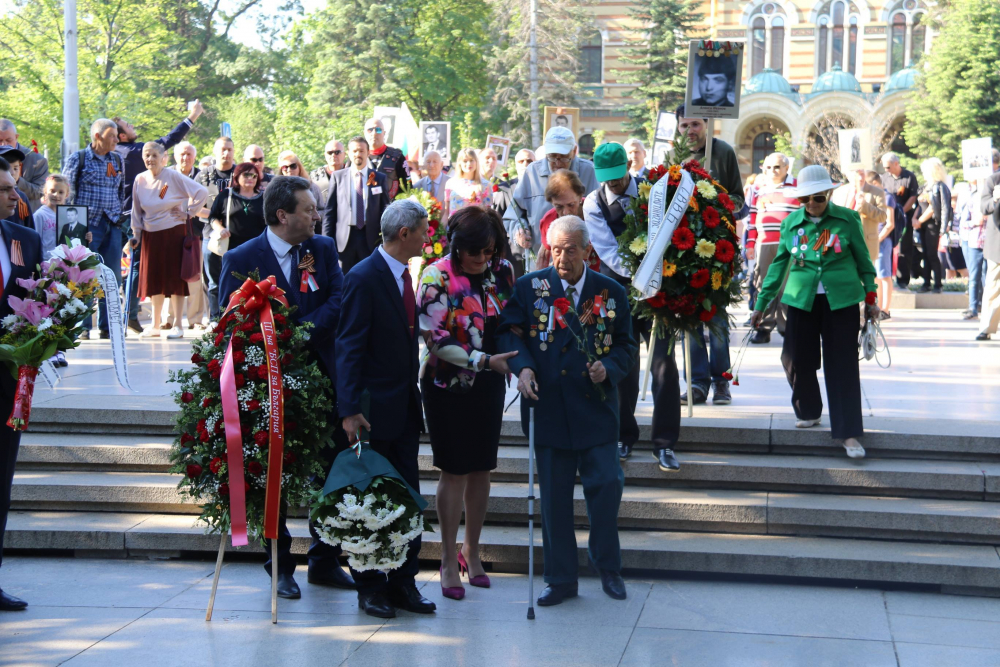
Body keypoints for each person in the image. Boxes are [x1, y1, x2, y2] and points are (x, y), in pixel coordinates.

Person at [220, 175, 355, 599]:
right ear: (283, 215)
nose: (318, 215)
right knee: (272, 471)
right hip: (267, 385)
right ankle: (279, 564)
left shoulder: (323, 248)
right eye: (310, 209)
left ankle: (326, 558)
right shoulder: (243, 257)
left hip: (322, 374)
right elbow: (230, 323)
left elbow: (338, 297)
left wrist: (297, 333)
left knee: (332, 469)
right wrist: (270, 342)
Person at [497, 215, 636, 606]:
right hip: (549, 407)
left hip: (596, 407)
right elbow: (510, 331)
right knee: (555, 499)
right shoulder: (530, 288)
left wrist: (607, 368)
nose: (561, 258)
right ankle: (560, 579)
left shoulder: (609, 292)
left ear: (587, 250)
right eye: (555, 250)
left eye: (570, 250)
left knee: (607, 487)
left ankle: (607, 566)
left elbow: (626, 346)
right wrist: (521, 367)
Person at [336, 199, 435, 619]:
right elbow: (349, 346)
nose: (430, 235)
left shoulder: (404, 276)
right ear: (404, 234)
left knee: (406, 500)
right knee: (370, 502)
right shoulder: (364, 277)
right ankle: (371, 587)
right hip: (372, 413)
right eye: (425, 228)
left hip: (403, 409)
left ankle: (403, 583)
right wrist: (349, 410)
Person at [417, 206, 517, 600]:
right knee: (454, 470)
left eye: (488, 251)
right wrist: (482, 361)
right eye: (474, 251)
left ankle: (471, 550)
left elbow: (511, 322)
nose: (481, 259)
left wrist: (514, 361)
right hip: (446, 385)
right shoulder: (436, 275)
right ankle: (445, 557)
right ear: (457, 246)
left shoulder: (503, 271)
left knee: (482, 468)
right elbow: (435, 336)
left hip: (489, 383)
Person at [750, 165, 879, 459]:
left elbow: (864, 261)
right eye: (804, 199)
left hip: (842, 301)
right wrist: (761, 303)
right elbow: (778, 266)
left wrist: (871, 297)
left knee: (842, 366)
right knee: (795, 358)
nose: (811, 204)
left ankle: (848, 433)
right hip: (800, 300)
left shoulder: (847, 219)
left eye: (817, 198)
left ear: (829, 194)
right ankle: (809, 409)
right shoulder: (791, 223)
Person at [0, 155, 43, 612]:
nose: (16, 196)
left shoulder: (26, 240)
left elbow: (36, 300)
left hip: (7, 380)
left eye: (14, 188)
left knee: (2, 479)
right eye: (7, 190)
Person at [130, 142, 208, 338]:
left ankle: (178, 327)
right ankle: (155, 325)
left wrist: (188, 212)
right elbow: (136, 210)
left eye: (154, 155)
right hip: (150, 234)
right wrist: (136, 234)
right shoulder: (139, 179)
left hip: (174, 232)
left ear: (163, 157)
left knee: (175, 280)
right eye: (146, 155)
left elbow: (201, 192)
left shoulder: (172, 176)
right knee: (153, 280)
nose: (150, 159)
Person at [62, 119, 125, 340]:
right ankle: (83, 327)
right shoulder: (78, 159)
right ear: (97, 136)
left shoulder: (117, 159)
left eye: (117, 135)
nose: (117, 139)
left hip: (112, 224)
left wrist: (119, 219)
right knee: (84, 276)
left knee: (112, 277)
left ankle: (108, 327)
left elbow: (119, 192)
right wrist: (75, 230)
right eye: (112, 135)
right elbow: (67, 194)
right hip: (86, 226)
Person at [503, 127, 598, 272]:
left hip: (580, 263)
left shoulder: (589, 171)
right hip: (540, 261)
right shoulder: (532, 172)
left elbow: (599, 217)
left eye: (563, 157)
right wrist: (519, 230)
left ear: (574, 151)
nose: (558, 163)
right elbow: (513, 214)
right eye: (553, 156)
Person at [747, 152, 799, 343]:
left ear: (786, 168)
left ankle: (787, 328)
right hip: (764, 244)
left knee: (788, 286)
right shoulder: (758, 188)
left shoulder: (797, 187)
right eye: (768, 167)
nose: (772, 170)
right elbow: (752, 219)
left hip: (791, 244)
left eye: (777, 166)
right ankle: (764, 327)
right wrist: (750, 243)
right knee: (763, 284)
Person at [322, 136, 391, 273]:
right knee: (343, 284)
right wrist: (326, 243)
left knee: (369, 280)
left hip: (370, 240)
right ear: (348, 153)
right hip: (344, 241)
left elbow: (386, 212)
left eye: (361, 151)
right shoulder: (338, 177)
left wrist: (386, 241)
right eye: (354, 151)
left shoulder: (379, 178)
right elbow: (330, 213)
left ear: (368, 153)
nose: (357, 154)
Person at [206, 162, 265, 306]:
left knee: (256, 286)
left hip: (257, 250)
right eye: (246, 174)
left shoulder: (264, 197)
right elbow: (212, 217)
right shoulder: (227, 195)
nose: (250, 178)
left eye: (254, 175)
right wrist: (220, 229)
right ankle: (222, 318)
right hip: (232, 250)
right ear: (237, 176)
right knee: (231, 286)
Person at [675, 106, 745, 212]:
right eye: (684, 125)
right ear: (678, 127)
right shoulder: (673, 156)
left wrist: (716, 203)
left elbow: (738, 198)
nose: (689, 130)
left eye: (695, 124)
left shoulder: (724, 151)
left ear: (707, 124)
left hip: (717, 224)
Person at [196, 137, 236, 320]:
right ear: (215, 151)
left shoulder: (241, 174)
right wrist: (215, 218)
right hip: (211, 235)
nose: (225, 153)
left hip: (236, 234)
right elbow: (193, 207)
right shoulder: (203, 175)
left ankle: (237, 317)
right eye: (222, 149)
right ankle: (215, 319)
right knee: (213, 280)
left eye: (229, 149)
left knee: (238, 278)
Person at [536, 169, 593, 271]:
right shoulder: (549, 221)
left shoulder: (594, 212)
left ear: (580, 197)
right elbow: (543, 259)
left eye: (571, 205)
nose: (566, 212)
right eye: (559, 206)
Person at [880, 152, 920, 290]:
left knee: (904, 249)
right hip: (887, 218)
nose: (886, 170)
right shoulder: (884, 178)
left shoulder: (909, 176)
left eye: (888, 167)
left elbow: (913, 197)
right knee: (888, 247)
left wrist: (901, 212)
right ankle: (887, 278)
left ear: (896, 164)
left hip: (904, 219)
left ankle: (903, 281)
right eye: (884, 167)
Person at [832, 168, 886, 263]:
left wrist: (865, 205)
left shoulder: (877, 192)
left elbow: (882, 216)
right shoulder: (838, 192)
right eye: (856, 174)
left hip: (866, 246)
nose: (860, 177)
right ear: (847, 175)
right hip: (844, 245)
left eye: (862, 173)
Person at [915, 158, 950, 293]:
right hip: (922, 225)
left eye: (925, 171)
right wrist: (914, 218)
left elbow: (936, 208)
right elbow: (919, 206)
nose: (923, 173)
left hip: (932, 225)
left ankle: (938, 284)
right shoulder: (925, 187)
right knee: (926, 254)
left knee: (932, 254)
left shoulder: (940, 186)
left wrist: (920, 220)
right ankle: (926, 282)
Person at [865, 170, 896, 319]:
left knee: (884, 275)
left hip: (882, 241)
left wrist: (877, 240)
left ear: (875, 184)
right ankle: (878, 307)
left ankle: (886, 309)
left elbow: (889, 224)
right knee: (876, 276)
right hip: (873, 240)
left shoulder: (887, 197)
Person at [0, 119, 49, 212]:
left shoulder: (38, 160)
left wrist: (17, 180)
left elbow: (40, 191)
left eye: (8, 140)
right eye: (0, 140)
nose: (4, 144)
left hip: (25, 215)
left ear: (16, 137)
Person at [977, 153, 1000, 341]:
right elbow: (984, 207)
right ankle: (986, 328)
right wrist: (995, 200)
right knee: (993, 287)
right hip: (998, 244)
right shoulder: (994, 180)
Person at [365, 118, 410, 199]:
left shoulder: (397, 157)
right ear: (364, 133)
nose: (374, 133)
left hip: (391, 207)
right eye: (370, 130)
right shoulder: (357, 157)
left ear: (384, 133)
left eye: (378, 130)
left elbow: (408, 186)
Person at [445, 148, 492, 217]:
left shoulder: (486, 185)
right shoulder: (450, 183)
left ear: (476, 162)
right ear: (459, 163)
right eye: (465, 161)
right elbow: (446, 214)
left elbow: (488, 215)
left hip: (476, 226)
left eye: (471, 160)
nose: (469, 163)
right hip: (454, 226)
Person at [277, 151, 325, 219]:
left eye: (293, 166)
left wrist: (309, 215)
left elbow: (322, 210)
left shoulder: (312, 187)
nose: (289, 170)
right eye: (285, 167)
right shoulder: (277, 190)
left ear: (299, 167)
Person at [0, 147, 33, 227]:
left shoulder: (22, 197)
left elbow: (29, 226)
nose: (12, 173)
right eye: (7, 168)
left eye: (15, 168)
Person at [310, 139, 346, 209]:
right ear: (325, 155)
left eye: (337, 152)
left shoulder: (353, 174)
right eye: (330, 153)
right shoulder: (316, 177)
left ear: (344, 154)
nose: (333, 155)